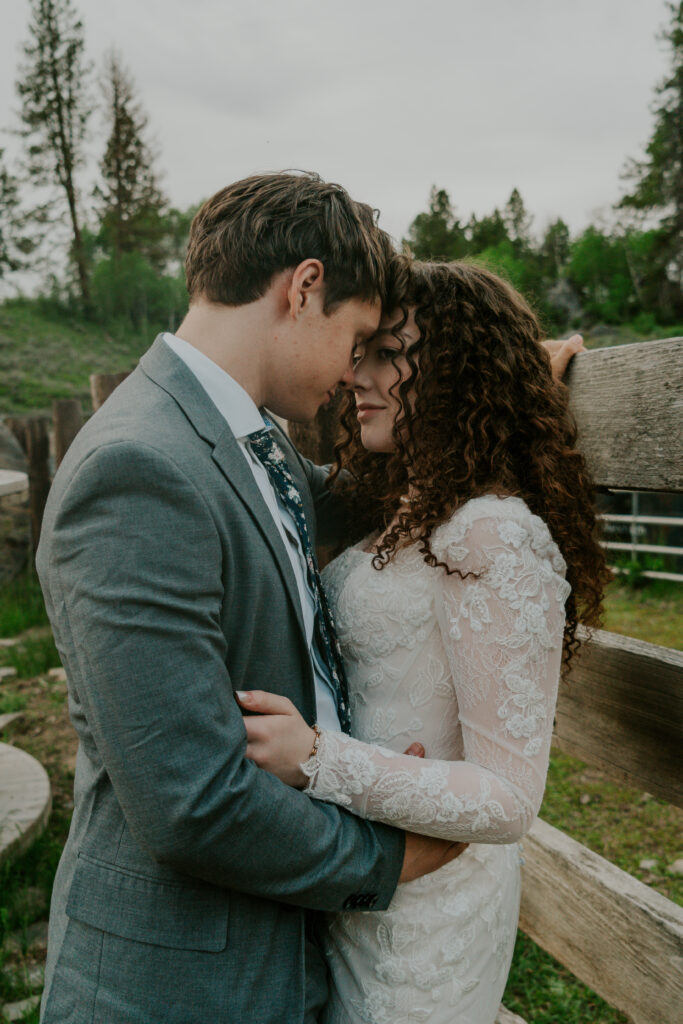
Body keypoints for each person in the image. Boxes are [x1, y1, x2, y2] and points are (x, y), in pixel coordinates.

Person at [35, 174, 471, 1024]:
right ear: (304, 287)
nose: (355, 374)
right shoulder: (138, 468)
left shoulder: (245, 438)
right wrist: (391, 855)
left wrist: (496, 383)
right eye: (355, 339)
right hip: (174, 989)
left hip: (268, 960)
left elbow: (370, 496)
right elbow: (192, 802)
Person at [237, 259, 609, 1024]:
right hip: (363, 875)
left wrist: (317, 759)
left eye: (387, 353)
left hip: (429, 912)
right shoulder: (408, 504)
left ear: (453, 374)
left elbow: (508, 799)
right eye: (360, 350)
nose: (355, 376)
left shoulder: (492, 533)